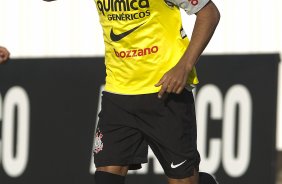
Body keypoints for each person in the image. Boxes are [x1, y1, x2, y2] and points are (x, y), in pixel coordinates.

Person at [45, 0, 220, 183]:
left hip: (165, 92)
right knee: (106, 177)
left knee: (183, 180)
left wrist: (184, 66)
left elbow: (209, 14)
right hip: (118, 93)